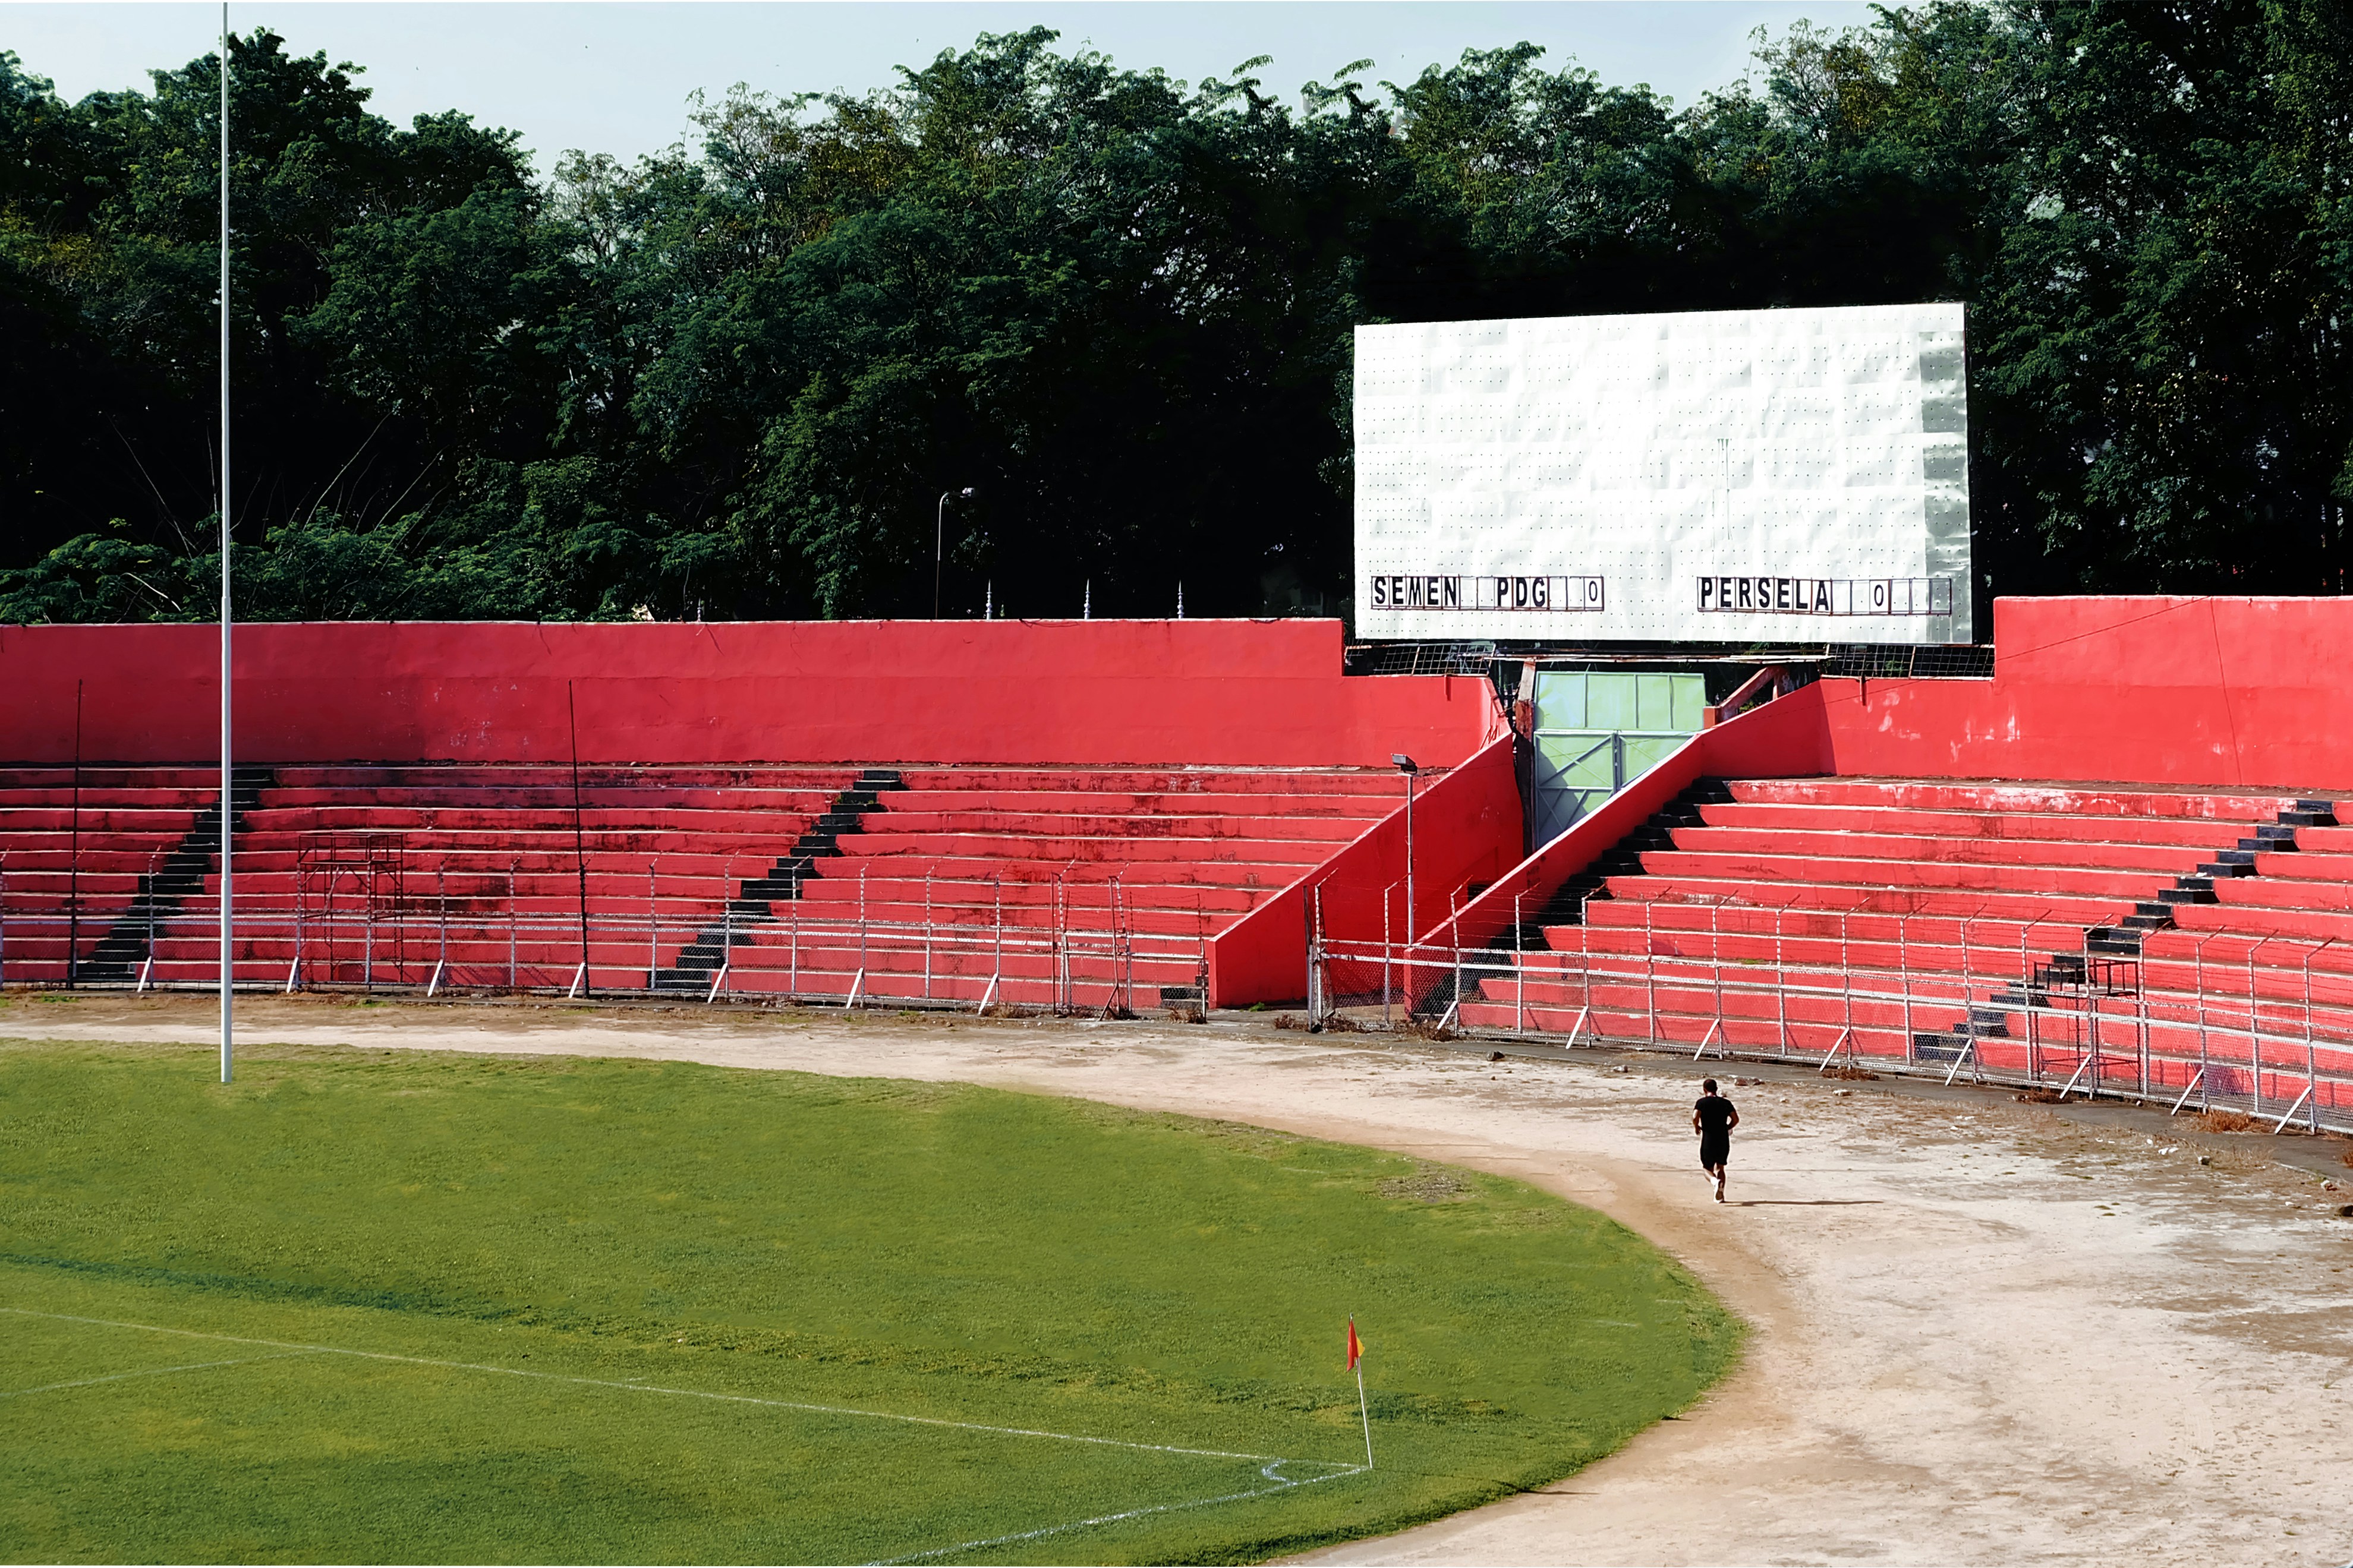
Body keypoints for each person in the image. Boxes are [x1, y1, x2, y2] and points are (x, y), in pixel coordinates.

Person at [1693, 1078, 1738, 1203]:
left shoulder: (1701, 1103)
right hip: (1723, 1139)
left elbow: (1695, 1116)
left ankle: (1715, 1182)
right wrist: (1727, 1128)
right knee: (1721, 1168)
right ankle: (1720, 1196)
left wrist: (1697, 1126)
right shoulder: (1726, 1103)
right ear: (1716, 1089)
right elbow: (1736, 1119)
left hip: (1708, 1138)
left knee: (1707, 1168)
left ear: (1704, 1090)